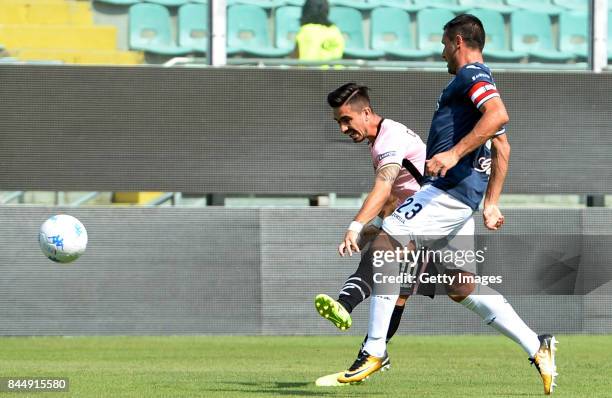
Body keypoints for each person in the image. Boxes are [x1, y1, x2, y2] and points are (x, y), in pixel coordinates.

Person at [332, 14, 558, 395]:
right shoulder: (472, 84)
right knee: (460, 285)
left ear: (456, 41)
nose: (441, 53)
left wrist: (453, 154)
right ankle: (538, 346)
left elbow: (499, 116)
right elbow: (502, 144)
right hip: (462, 196)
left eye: (442, 45)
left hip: (449, 188)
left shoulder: (471, 75)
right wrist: (492, 203)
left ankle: (374, 350)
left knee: (388, 241)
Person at [313, 83, 427, 386]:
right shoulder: (379, 142)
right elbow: (396, 192)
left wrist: (356, 225)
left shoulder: (390, 138)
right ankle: (373, 353)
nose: (342, 128)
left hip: (434, 221)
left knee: (383, 253)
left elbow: (385, 186)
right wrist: (377, 221)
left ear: (366, 112)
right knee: (399, 295)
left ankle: (346, 304)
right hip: (418, 219)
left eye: (346, 120)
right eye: (338, 121)